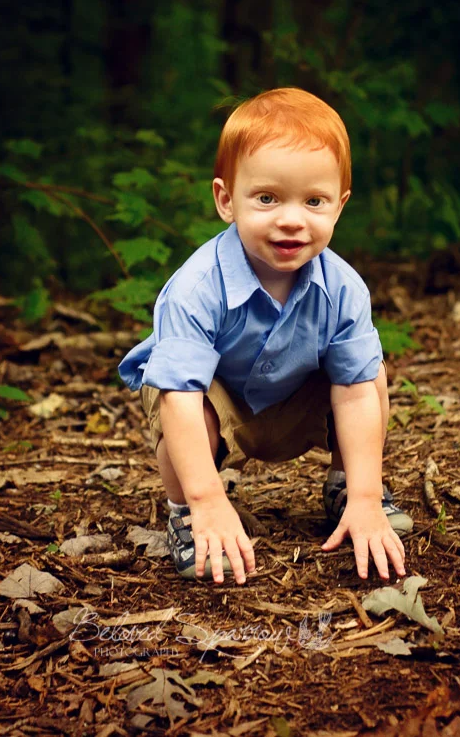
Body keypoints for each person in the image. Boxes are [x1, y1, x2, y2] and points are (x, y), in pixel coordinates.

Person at [119, 87, 413, 587]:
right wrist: (209, 498)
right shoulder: (195, 288)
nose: (292, 219)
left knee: (368, 373)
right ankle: (190, 513)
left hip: (297, 399)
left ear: (339, 207)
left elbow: (358, 393)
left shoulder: (343, 289)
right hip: (215, 403)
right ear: (226, 200)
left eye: (314, 200)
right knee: (174, 394)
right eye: (267, 198)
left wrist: (368, 494)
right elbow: (182, 399)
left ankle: (353, 492)